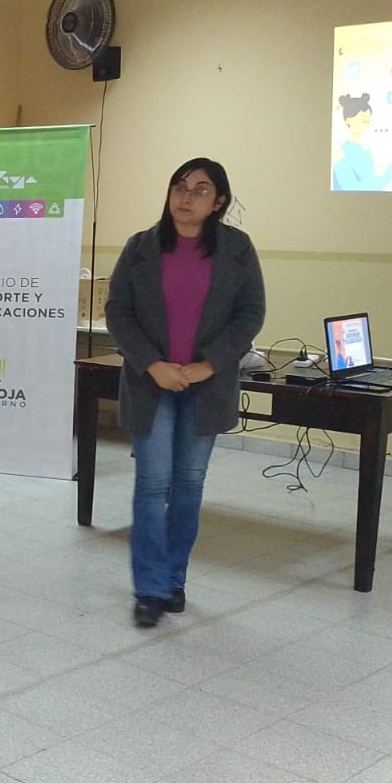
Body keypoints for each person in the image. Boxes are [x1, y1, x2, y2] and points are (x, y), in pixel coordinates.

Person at [104, 158, 266, 628]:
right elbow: (118, 312)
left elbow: (250, 314)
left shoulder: (236, 249)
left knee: (189, 485)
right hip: (150, 384)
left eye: (200, 190)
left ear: (219, 202)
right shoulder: (141, 247)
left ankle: (174, 579)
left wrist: (208, 365)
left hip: (206, 386)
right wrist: (153, 365)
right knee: (152, 485)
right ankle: (150, 587)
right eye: (179, 186)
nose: (186, 196)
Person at [331, 93, 392, 190]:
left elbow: (374, 188)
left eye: (368, 121)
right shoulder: (340, 154)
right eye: (363, 120)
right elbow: (353, 190)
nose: (366, 124)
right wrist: (387, 171)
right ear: (349, 121)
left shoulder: (366, 150)